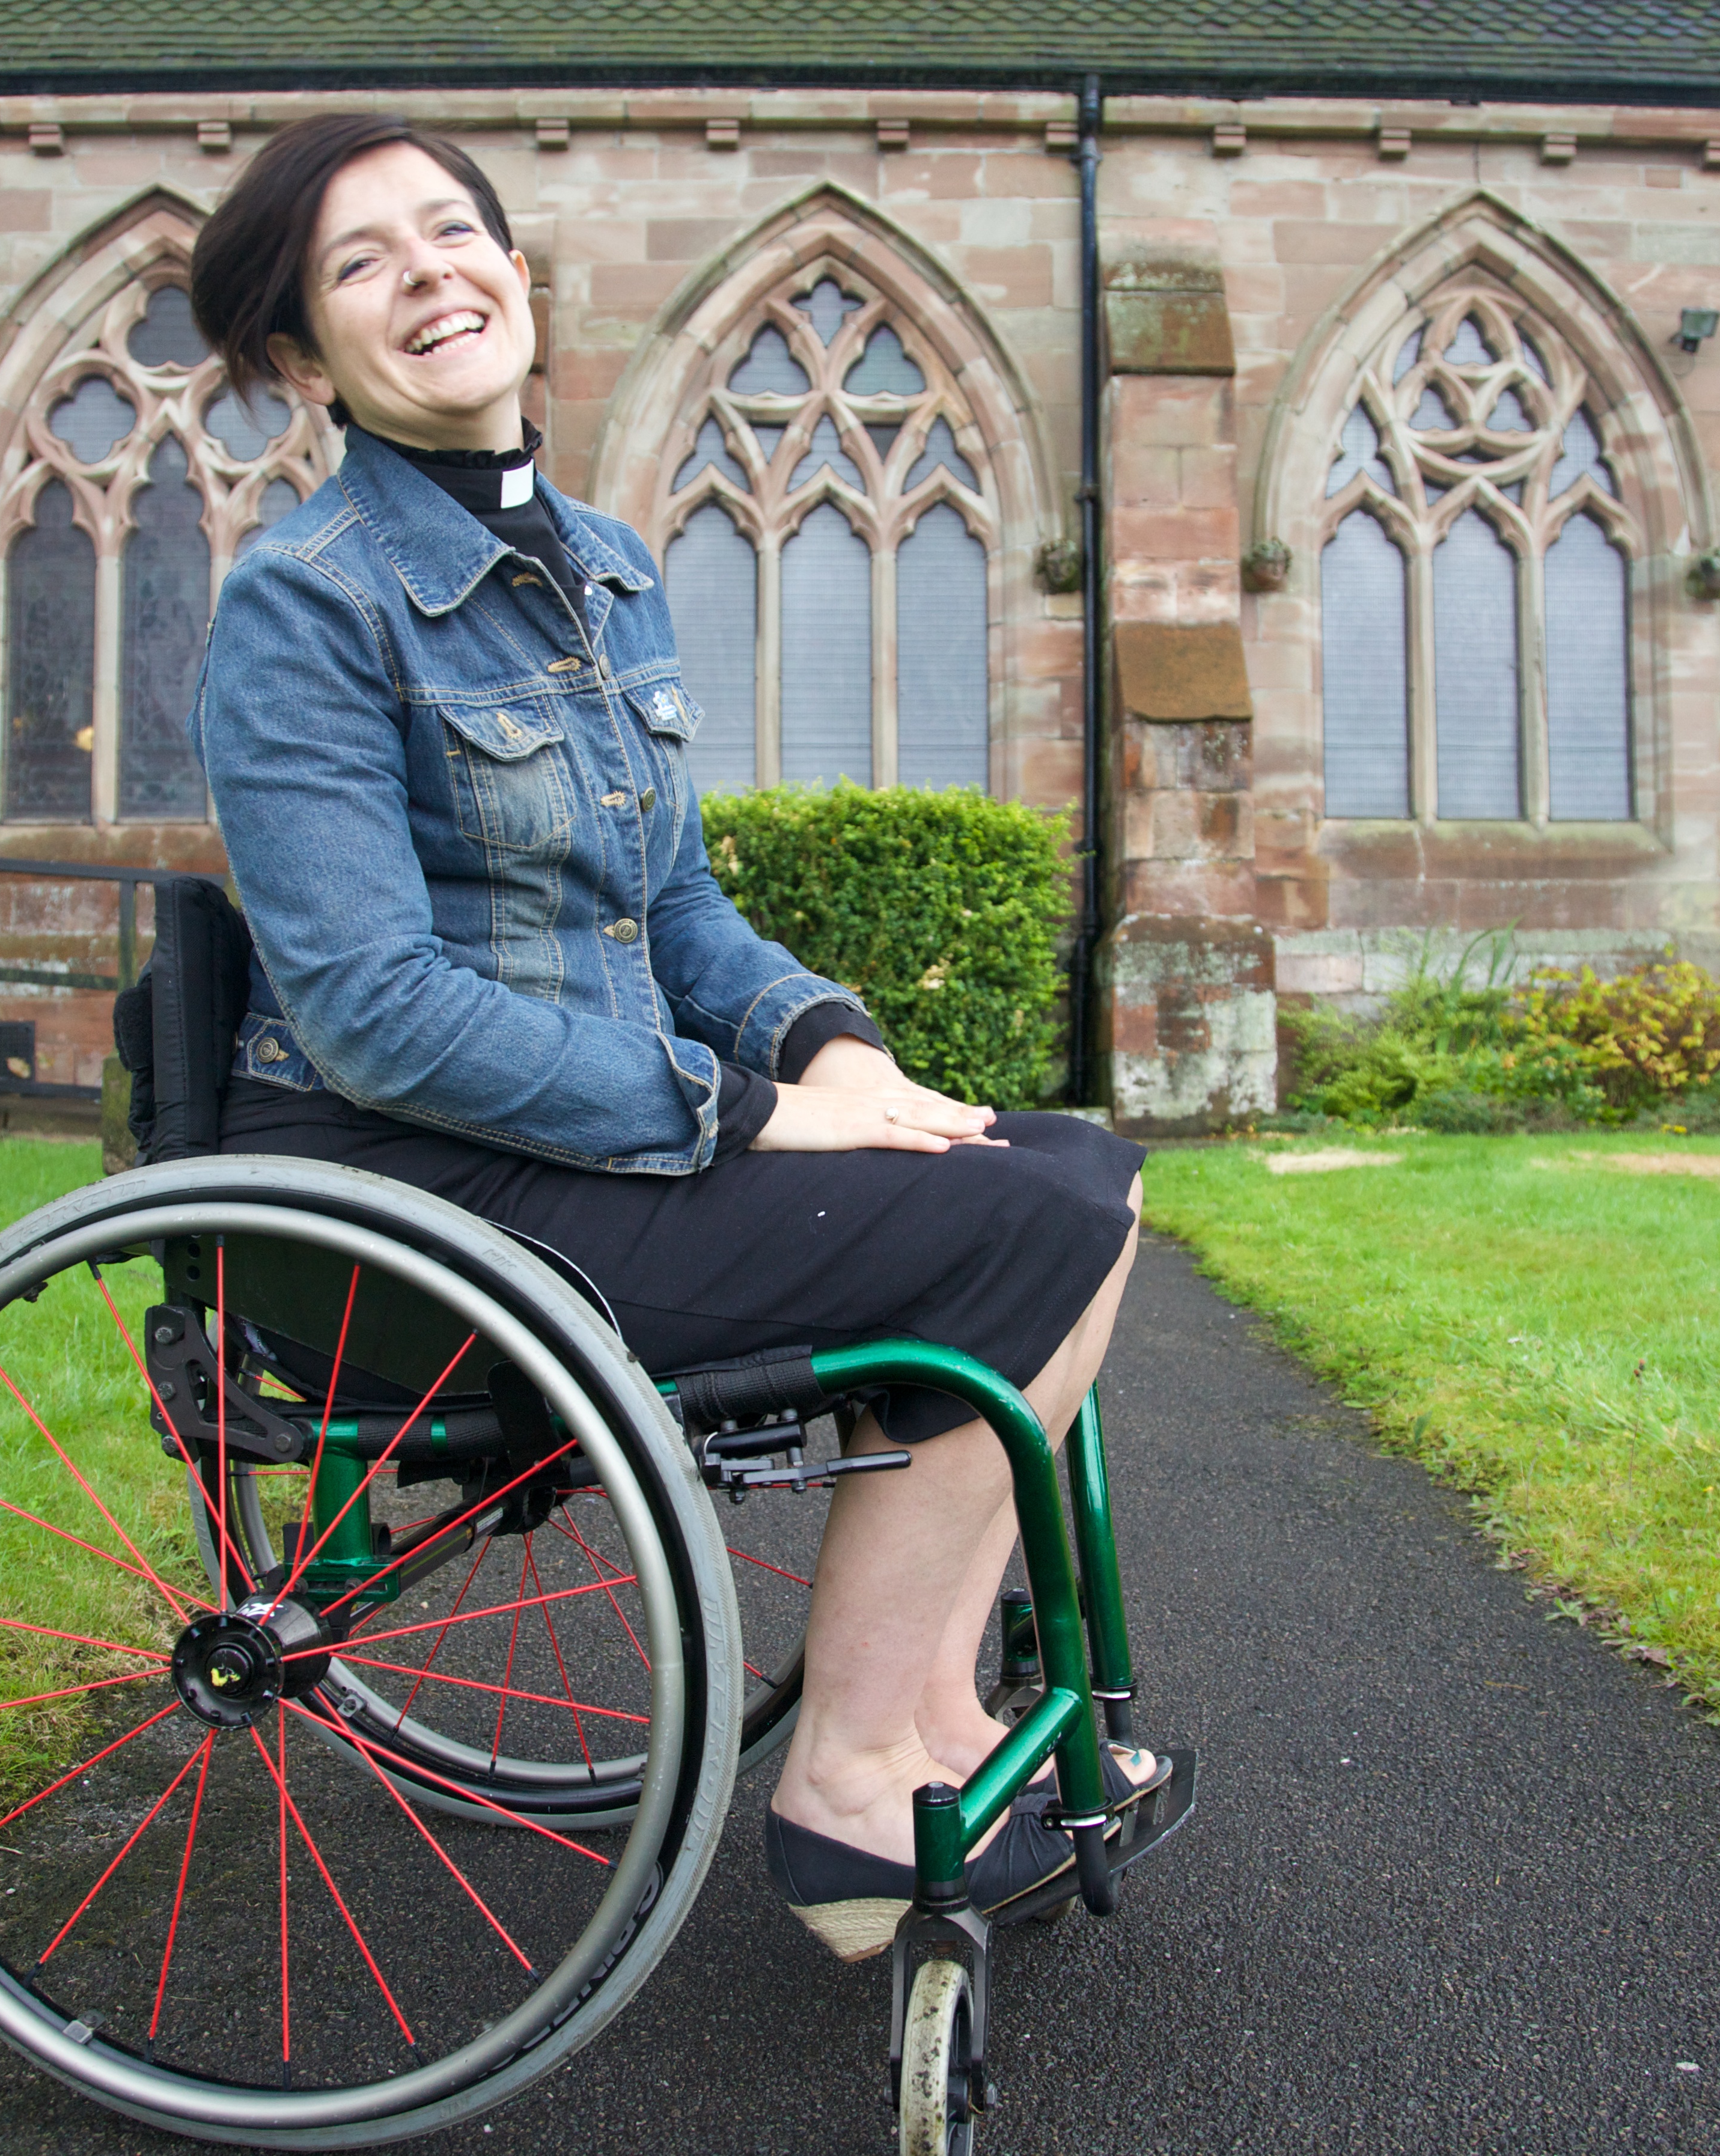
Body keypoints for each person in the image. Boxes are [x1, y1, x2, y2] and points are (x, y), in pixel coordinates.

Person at [184, 112, 1159, 1961]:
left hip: (572, 1147)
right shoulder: (304, 603)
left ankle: (931, 1710)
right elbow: (373, 1008)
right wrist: (735, 1113)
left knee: (1059, 1163)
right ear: (308, 358)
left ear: (521, 276)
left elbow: (676, 911)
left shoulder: (603, 562)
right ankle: (858, 1784)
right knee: (1029, 1224)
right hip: (413, 1198)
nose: (431, 274)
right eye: (364, 263)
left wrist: (831, 1047)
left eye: (453, 231)